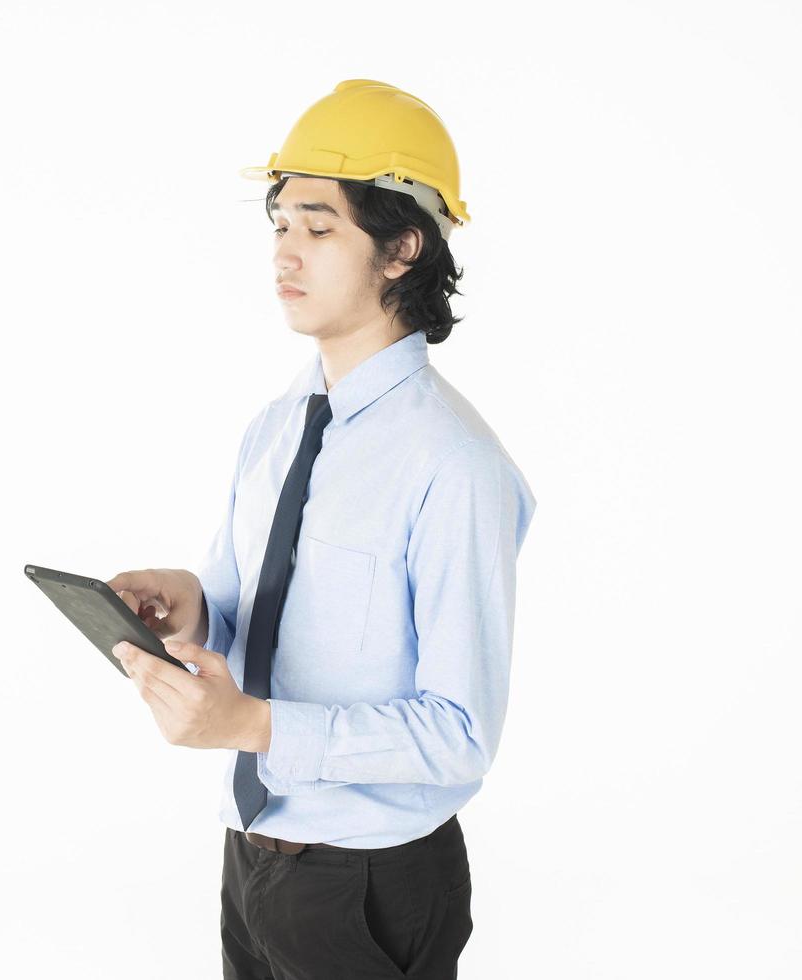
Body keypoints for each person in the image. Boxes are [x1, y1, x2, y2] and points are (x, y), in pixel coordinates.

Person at [106, 79, 537, 980]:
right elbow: (244, 608)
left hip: (373, 887)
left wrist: (255, 725)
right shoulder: (280, 423)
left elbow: (460, 732)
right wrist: (186, 608)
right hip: (254, 855)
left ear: (401, 248)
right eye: (279, 226)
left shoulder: (455, 467)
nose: (284, 254)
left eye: (319, 226)